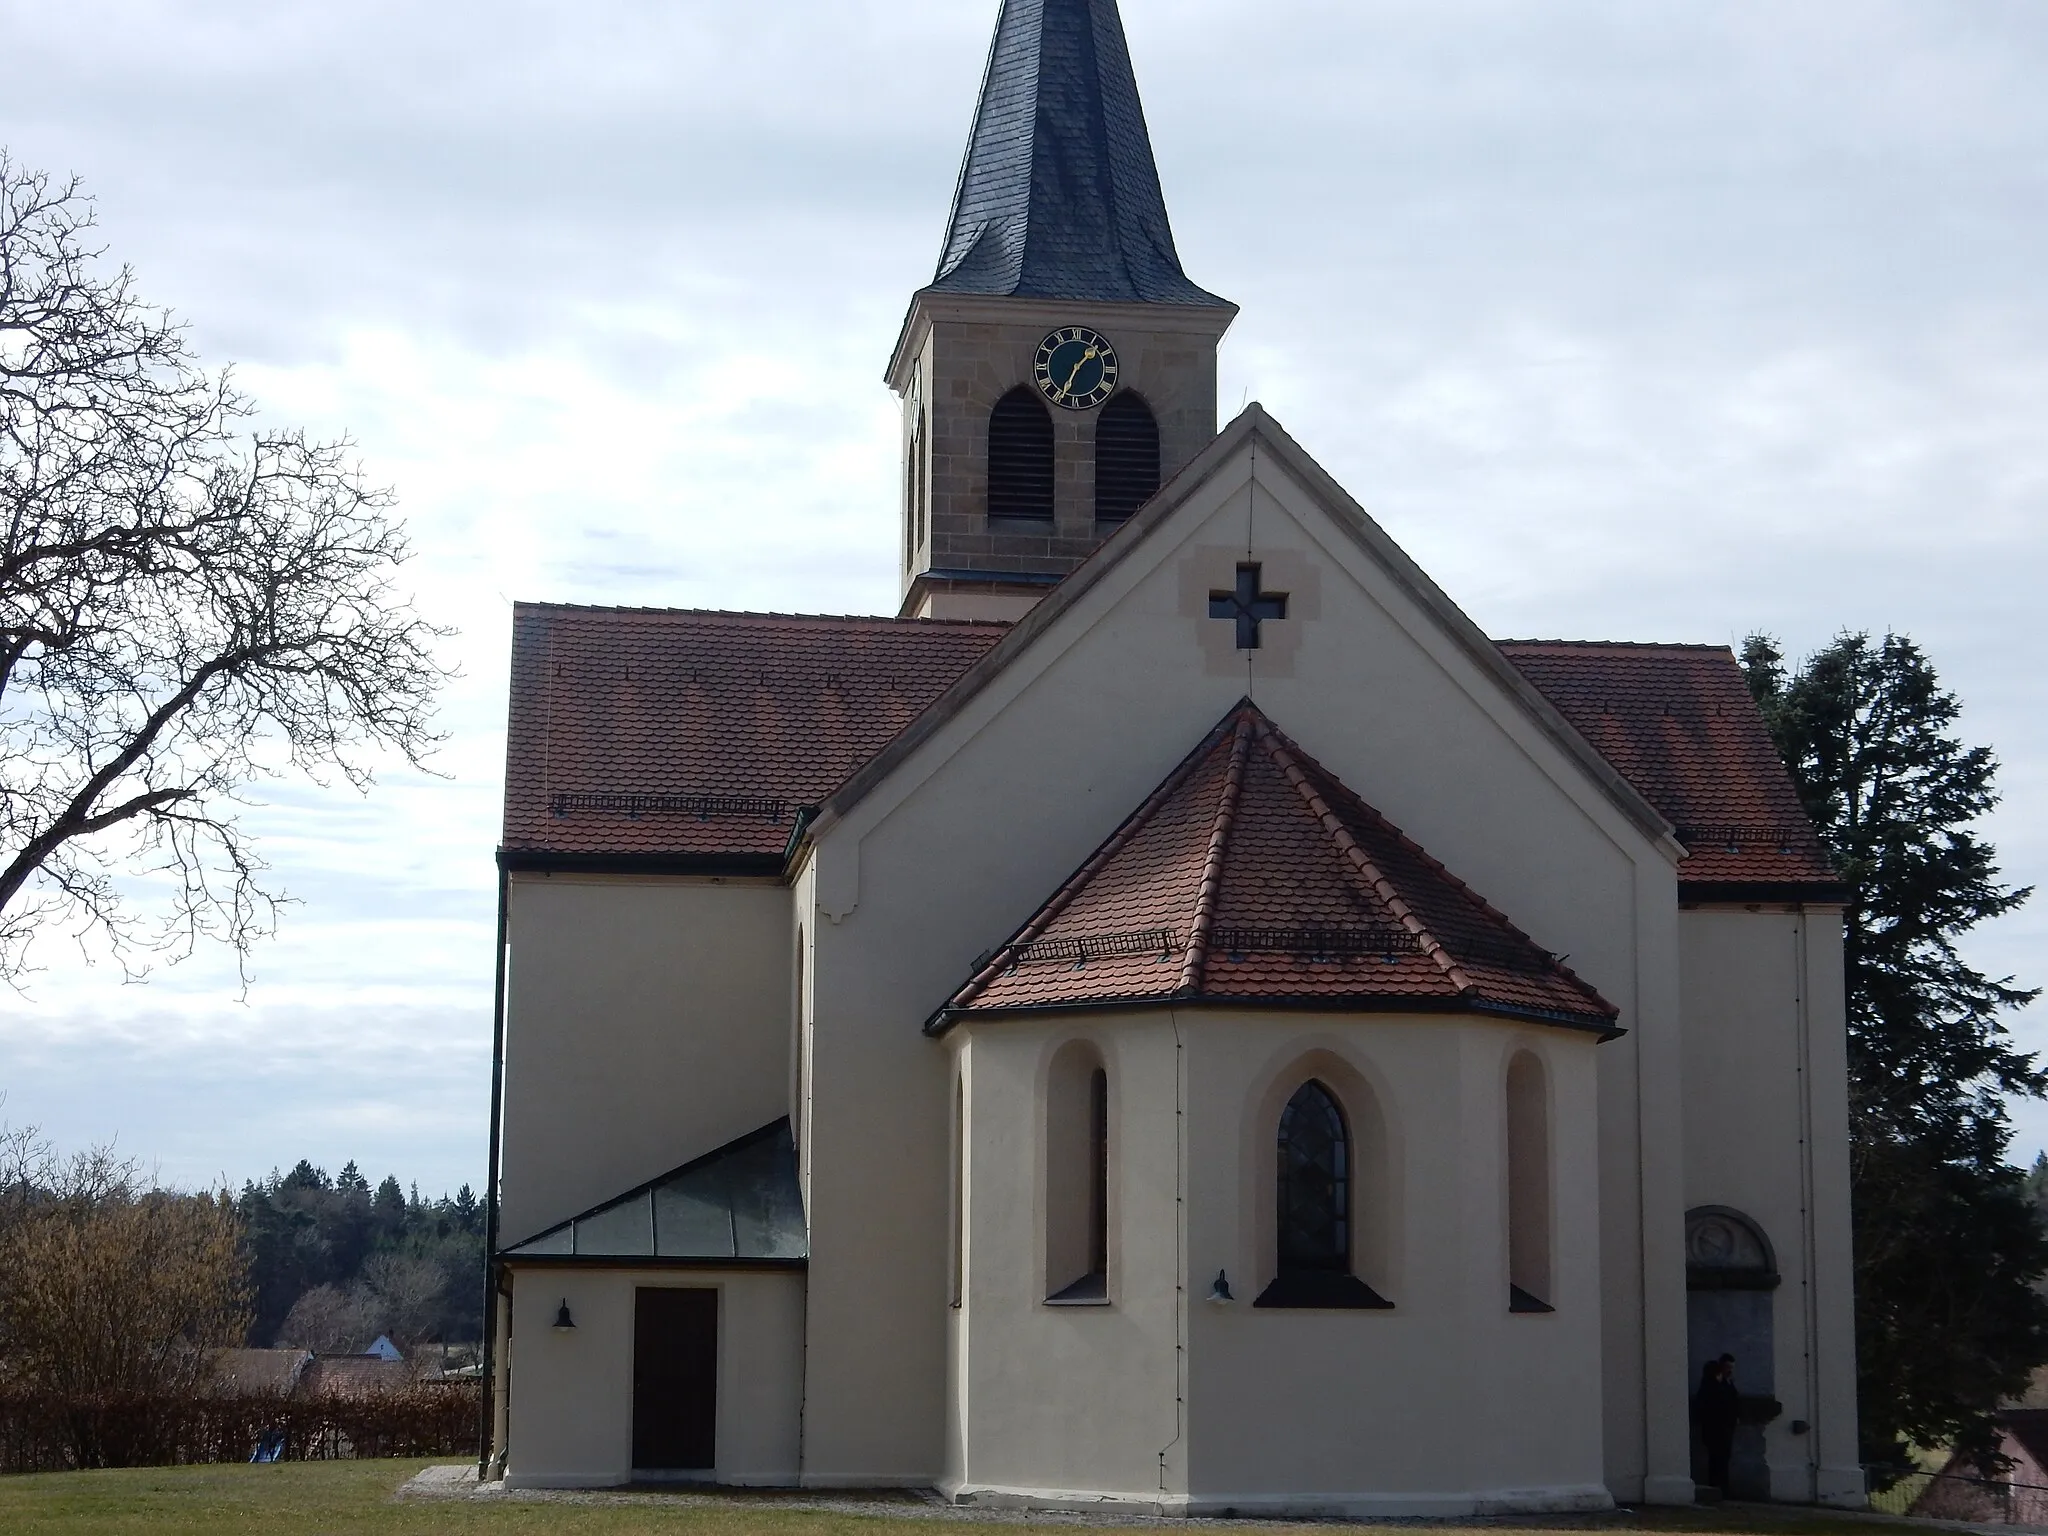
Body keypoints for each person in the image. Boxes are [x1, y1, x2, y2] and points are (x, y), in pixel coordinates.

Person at [1695, 1354, 1741, 1493]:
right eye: (1728, 1367)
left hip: (1725, 1426)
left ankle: (1722, 1487)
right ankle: (1718, 1487)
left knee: (1723, 1458)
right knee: (1717, 1458)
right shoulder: (1712, 1384)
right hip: (1716, 1427)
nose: (1730, 1371)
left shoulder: (1727, 1383)